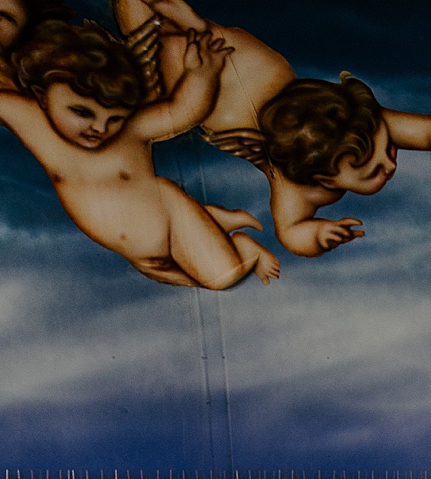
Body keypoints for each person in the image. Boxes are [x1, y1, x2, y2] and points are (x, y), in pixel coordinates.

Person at [94, 0, 431, 259]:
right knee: (150, 44)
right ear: (323, 177)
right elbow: (290, 231)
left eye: (388, 152)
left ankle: (185, 20)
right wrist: (313, 235)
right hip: (213, 89)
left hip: (252, 70)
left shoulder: (363, 126)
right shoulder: (297, 185)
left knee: (172, 37)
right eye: (373, 167)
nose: (389, 163)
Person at [0, 19, 279, 287]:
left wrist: (201, 74)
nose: (99, 128)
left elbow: (183, 111)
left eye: (115, 118)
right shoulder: (35, 123)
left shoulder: (130, 133)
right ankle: (212, 222)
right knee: (179, 277)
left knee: (223, 277)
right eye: (81, 112)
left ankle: (245, 249)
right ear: (42, 94)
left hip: (169, 220)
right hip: (141, 256)